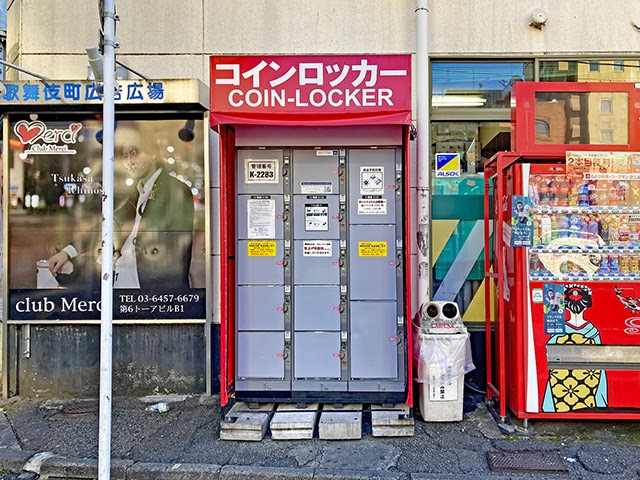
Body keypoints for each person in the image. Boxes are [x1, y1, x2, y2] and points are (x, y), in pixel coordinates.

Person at [47, 125, 194, 290]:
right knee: (64, 273)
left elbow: (174, 249)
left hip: (151, 289)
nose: (130, 162)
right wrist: (68, 251)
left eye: (135, 153)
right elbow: (110, 224)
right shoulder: (139, 191)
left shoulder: (174, 189)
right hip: (126, 281)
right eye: (124, 156)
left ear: (152, 153)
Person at [541, 284, 608, 413]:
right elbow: (601, 360)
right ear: (587, 304)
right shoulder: (593, 331)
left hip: (561, 383)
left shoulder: (559, 330)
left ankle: (551, 408)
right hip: (589, 380)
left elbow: (547, 351)